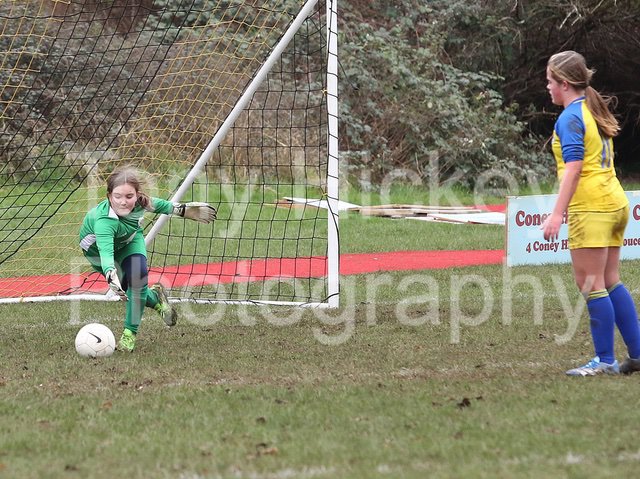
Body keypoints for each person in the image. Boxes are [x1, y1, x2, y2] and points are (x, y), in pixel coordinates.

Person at [542, 50, 640, 376]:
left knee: (590, 283)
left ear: (564, 83)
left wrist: (557, 214)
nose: (548, 87)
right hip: (615, 202)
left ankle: (604, 360)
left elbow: (574, 168)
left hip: (592, 207)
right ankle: (637, 355)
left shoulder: (570, 117)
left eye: (550, 81)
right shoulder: (591, 108)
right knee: (610, 280)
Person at [79, 166, 217, 352]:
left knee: (137, 281)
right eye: (118, 196)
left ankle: (129, 335)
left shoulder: (141, 203)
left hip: (129, 242)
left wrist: (183, 211)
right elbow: (106, 253)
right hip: (98, 254)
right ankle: (157, 299)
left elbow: (162, 205)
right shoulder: (104, 221)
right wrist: (110, 273)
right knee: (131, 291)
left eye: (129, 196)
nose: (123, 202)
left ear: (137, 195)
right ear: (109, 196)